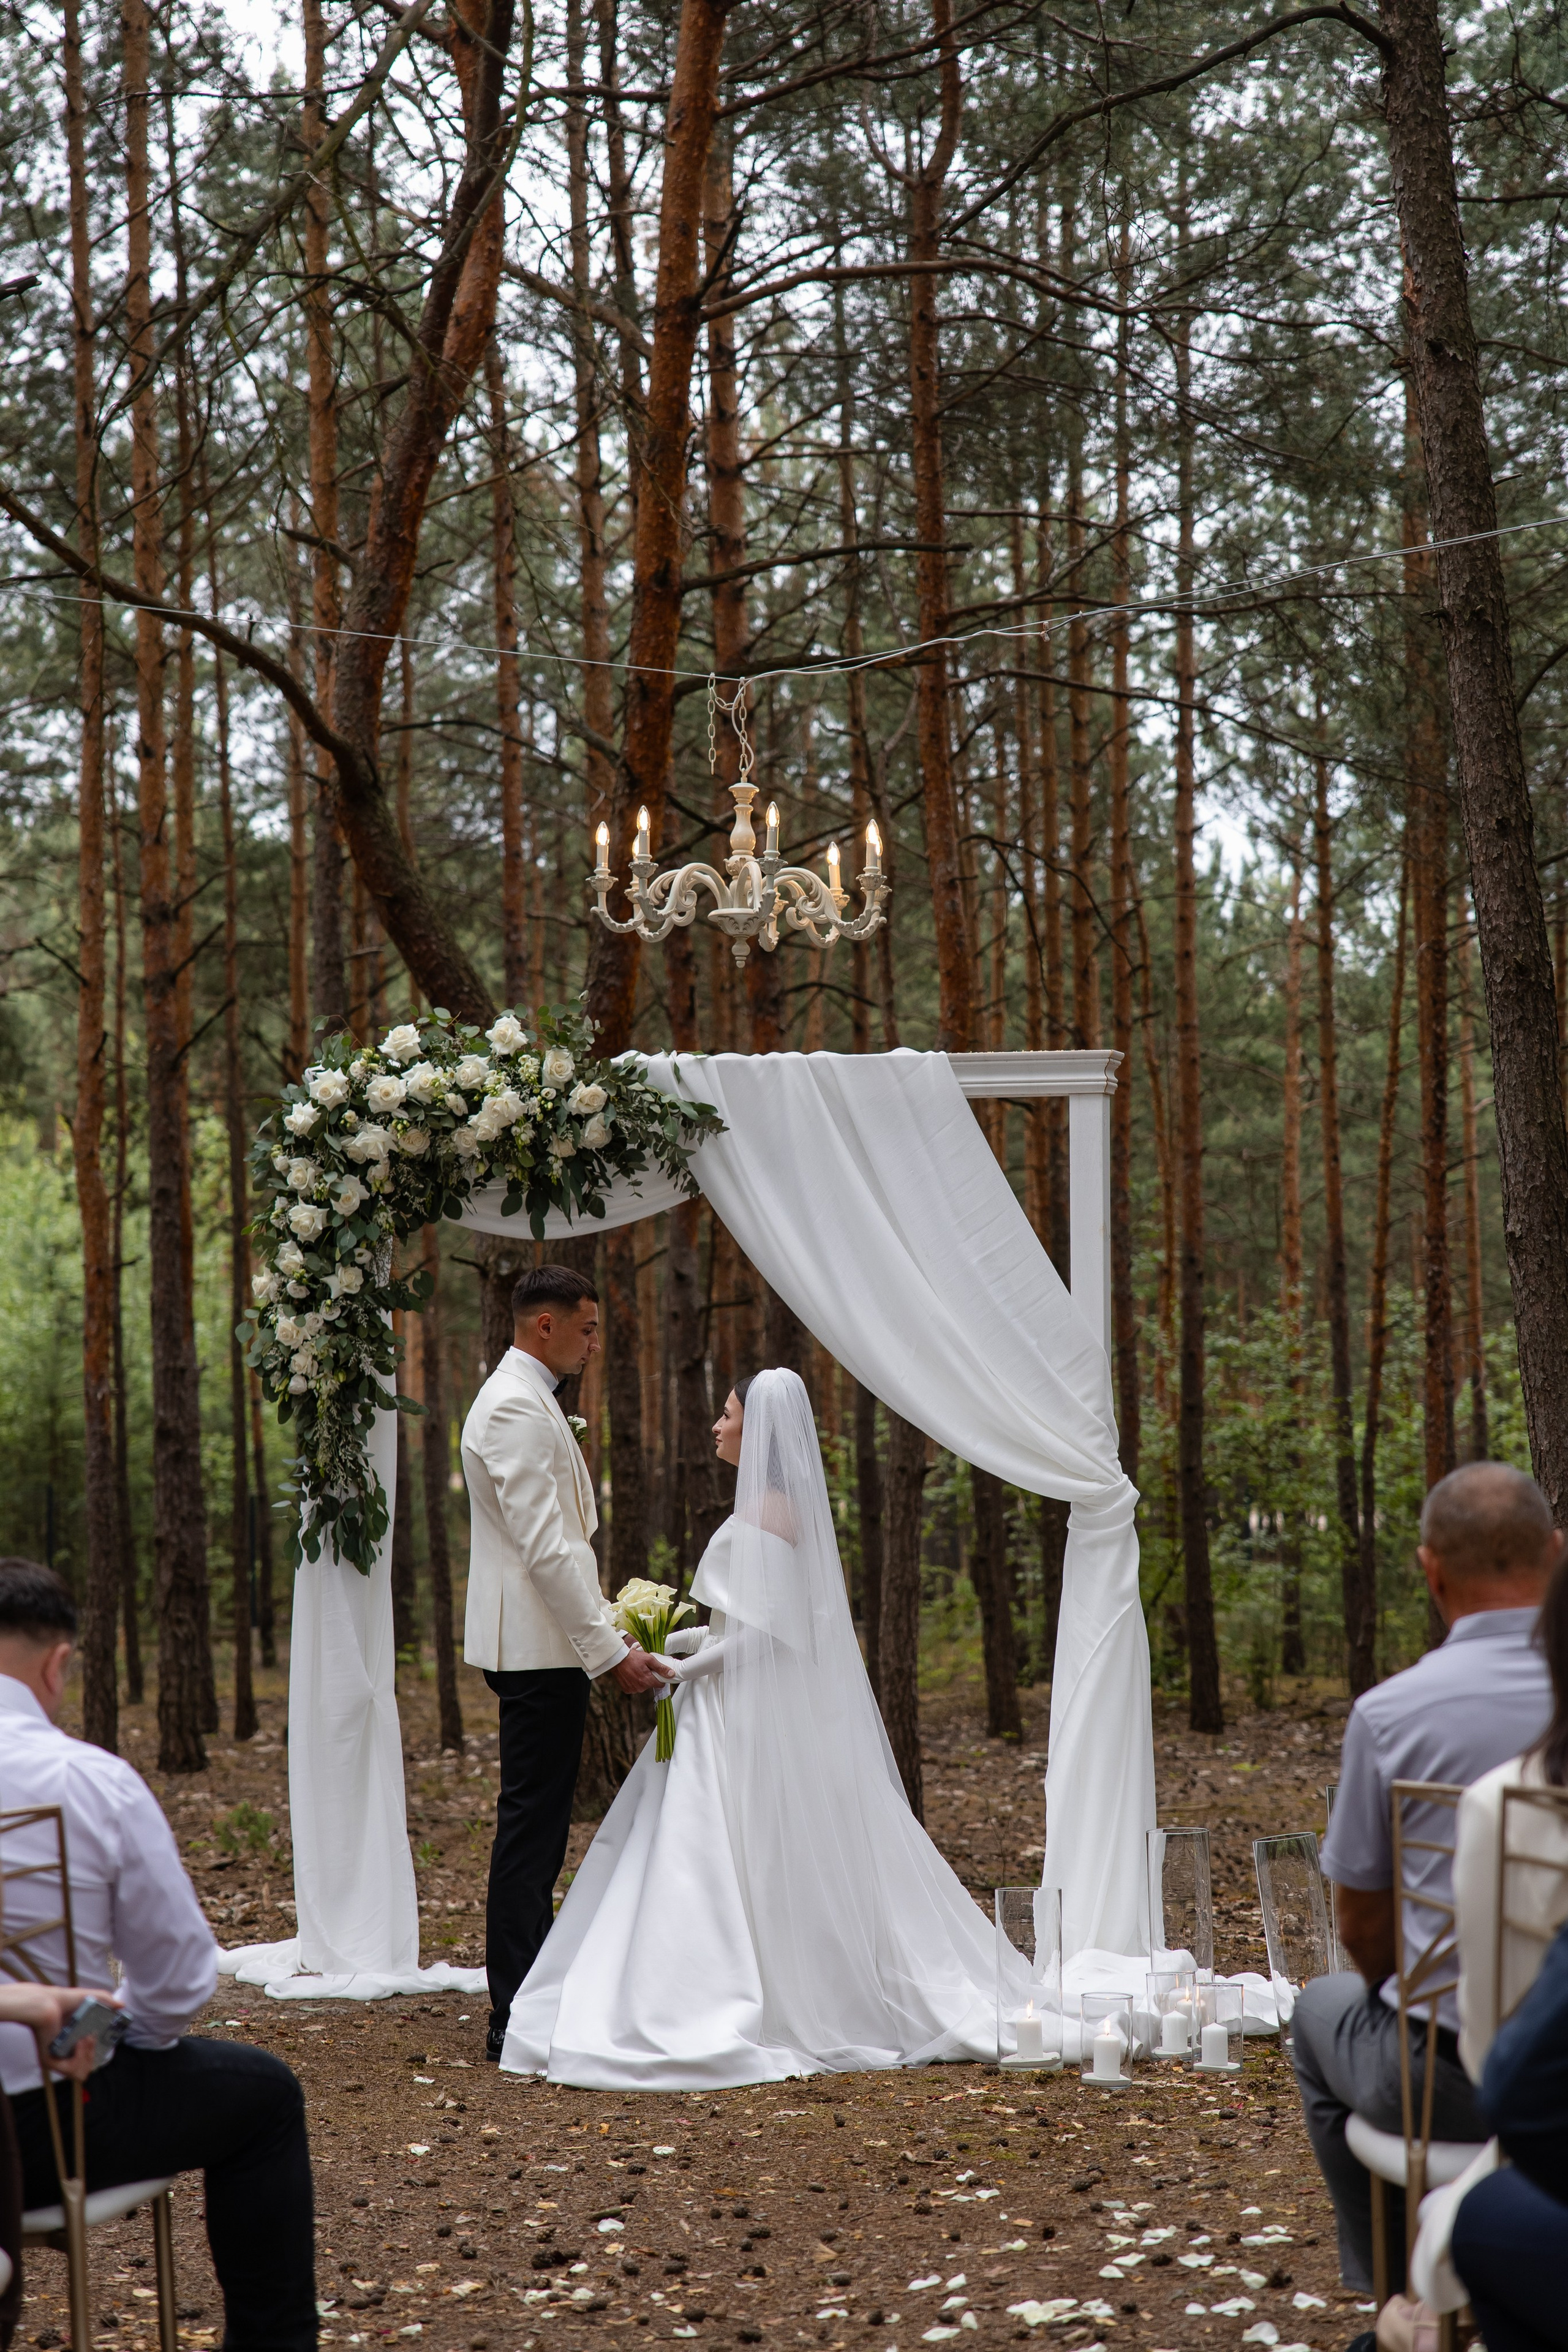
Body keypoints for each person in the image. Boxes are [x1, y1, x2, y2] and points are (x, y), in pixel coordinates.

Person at [499, 1368, 1009, 2087]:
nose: (717, 1424)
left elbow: (776, 1637)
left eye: (728, 1413)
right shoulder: (771, 1507)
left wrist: (685, 1672)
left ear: (758, 1429)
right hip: (729, 1700)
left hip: (736, 1710)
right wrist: (683, 1645)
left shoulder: (767, 1513)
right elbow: (744, 1627)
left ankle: (707, 1990)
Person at [0, 1558, 317, 2352]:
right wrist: (104, 2039)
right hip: (52, 2125)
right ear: (57, 1661)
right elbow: (180, 1975)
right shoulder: (91, 1782)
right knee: (266, 2096)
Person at [1288, 1461, 1560, 2294]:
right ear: (1556, 1555)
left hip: (1447, 2081)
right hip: (1566, 2059)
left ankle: (1399, 2296)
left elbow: (1365, 1931)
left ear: (1430, 1569)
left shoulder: (1391, 1713)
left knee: (1319, 2012)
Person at [462, 1264, 672, 2064]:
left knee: (539, 1827)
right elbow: (547, 1548)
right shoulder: (516, 1404)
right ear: (540, 1325)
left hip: (542, 1640)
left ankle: (530, 1993)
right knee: (531, 1828)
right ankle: (515, 2011)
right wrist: (608, 1648)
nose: (593, 1342)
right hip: (537, 1646)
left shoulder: (525, 1395)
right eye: (585, 1328)